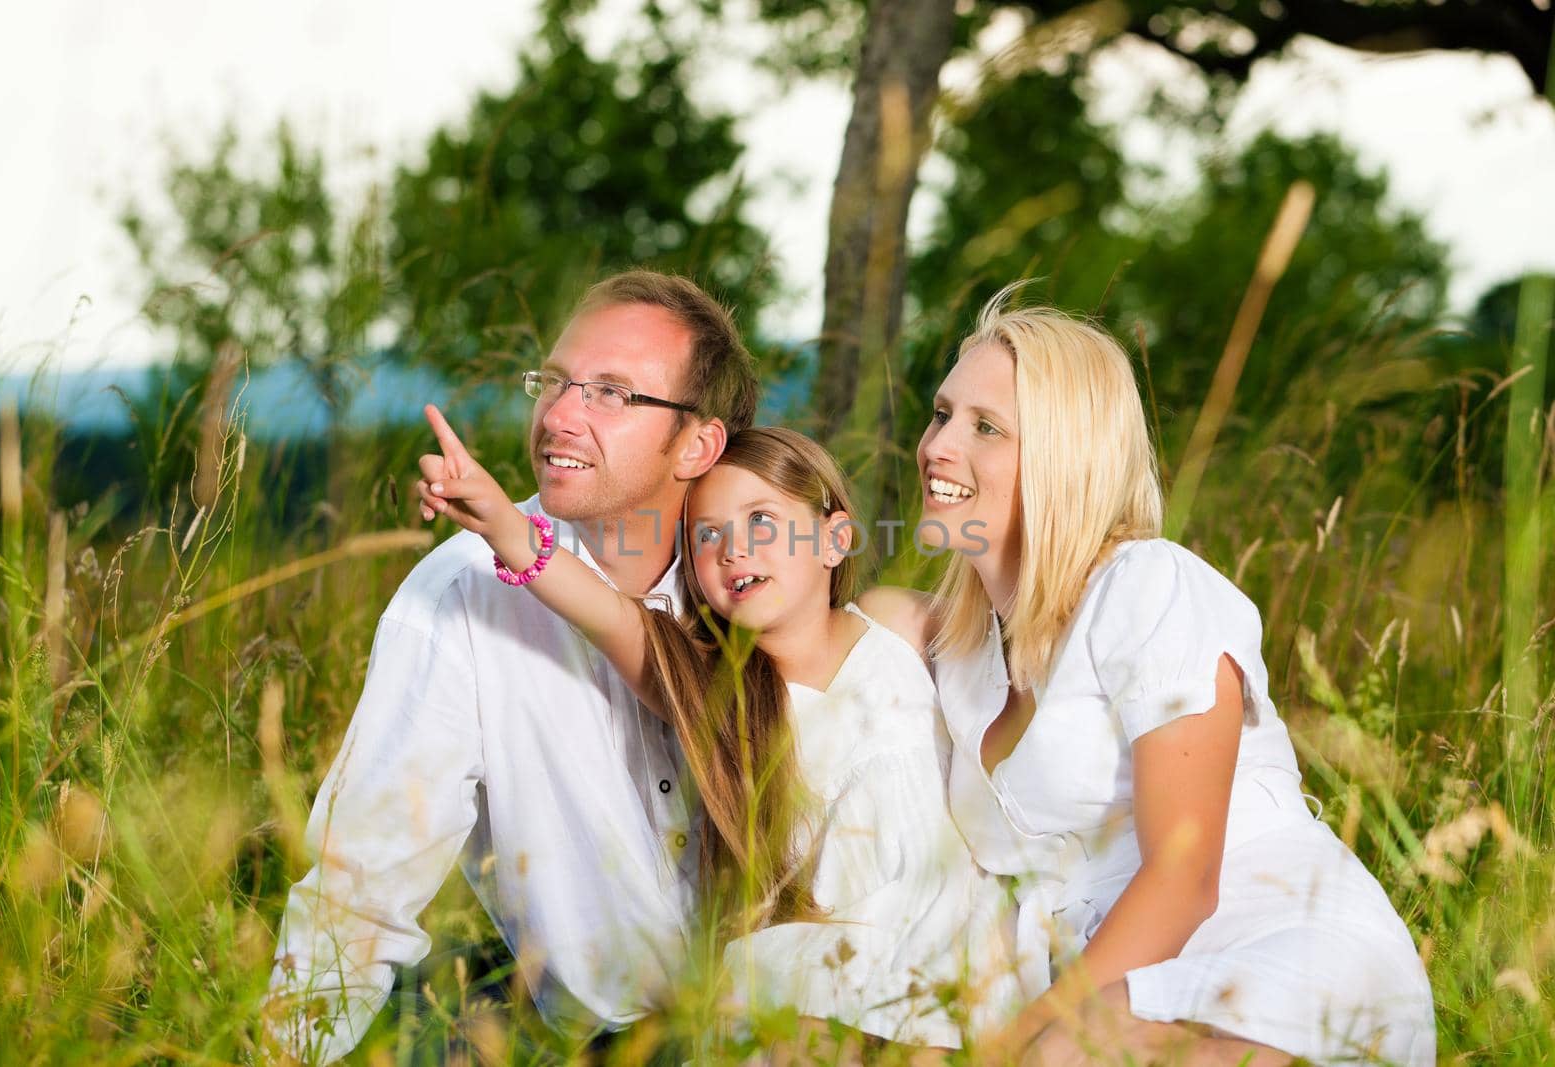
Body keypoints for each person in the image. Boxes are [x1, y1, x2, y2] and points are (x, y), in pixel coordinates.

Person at [897, 286, 1436, 1065]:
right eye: (942, 413)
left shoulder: (1149, 586)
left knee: (1064, 1056)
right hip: (1109, 988)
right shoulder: (963, 652)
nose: (938, 445)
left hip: (1268, 947)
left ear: (1064, 456)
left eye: (986, 427)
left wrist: (1008, 1047)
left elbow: (1184, 878)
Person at [264, 270, 759, 1063]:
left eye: (611, 394)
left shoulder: (757, 581)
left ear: (698, 443)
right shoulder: (462, 593)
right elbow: (361, 884)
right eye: (555, 381)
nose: (560, 415)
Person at [418, 418, 1022, 1053]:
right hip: (825, 959)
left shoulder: (897, 624)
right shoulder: (720, 694)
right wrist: (501, 524)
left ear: (834, 539)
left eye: (761, 521)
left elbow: (1022, 641)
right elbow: (603, 611)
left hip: (959, 939)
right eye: (707, 537)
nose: (733, 549)